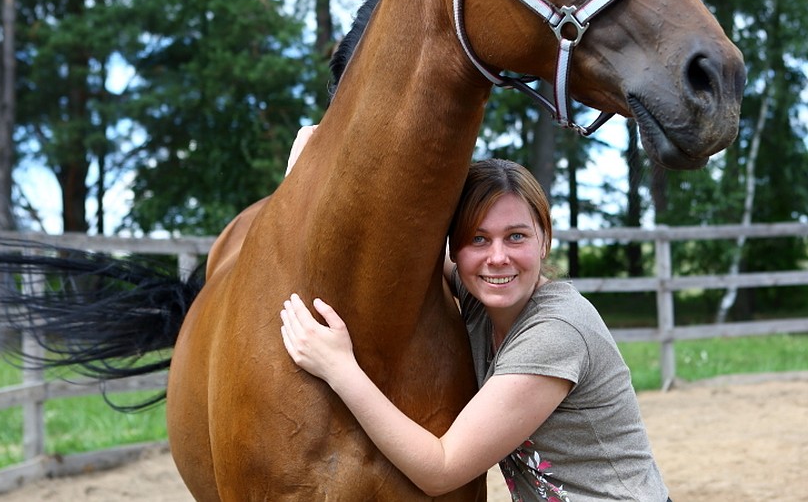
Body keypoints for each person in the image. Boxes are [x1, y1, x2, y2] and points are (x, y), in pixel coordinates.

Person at [280, 154, 670, 501]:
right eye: (478, 239)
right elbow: (391, 238)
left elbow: (442, 469)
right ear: (454, 249)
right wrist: (310, 165)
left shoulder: (556, 331)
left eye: (516, 236)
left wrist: (340, 369)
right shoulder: (480, 300)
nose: (496, 258)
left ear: (544, 241)